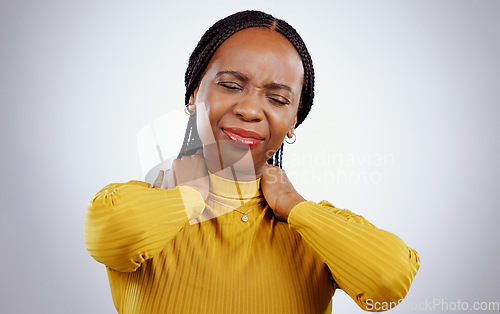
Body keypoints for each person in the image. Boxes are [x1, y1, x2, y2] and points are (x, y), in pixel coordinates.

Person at [84, 10, 420, 313]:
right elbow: (114, 236)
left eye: (276, 99)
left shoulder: (312, 232)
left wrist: (294, 206)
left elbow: (388, 285)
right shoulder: (140, 207)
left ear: (293, 122)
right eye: (230, 85)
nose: (249, 109)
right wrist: (190, 196)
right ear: (193, 96)